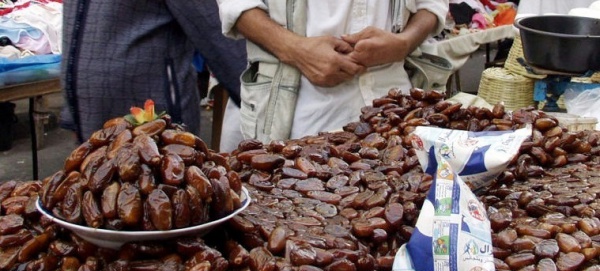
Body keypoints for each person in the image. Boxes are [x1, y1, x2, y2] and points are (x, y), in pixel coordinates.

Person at [217, 0, 449, 152]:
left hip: (395, 107)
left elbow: (432, 3)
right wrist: (294, 49)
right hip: (298, 113)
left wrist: (405, 42)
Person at [61, 0, 247, 143]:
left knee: (161, 188)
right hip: (91, 120)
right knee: (99, 186)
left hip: (155, 123)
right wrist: (72, 112)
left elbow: (214, 32)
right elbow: (73, 32)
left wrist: (257, 98)